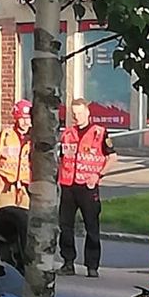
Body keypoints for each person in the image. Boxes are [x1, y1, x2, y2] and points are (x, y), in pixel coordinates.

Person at [57, 98, 116, 278]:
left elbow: (113, 157)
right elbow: (60, 158)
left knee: (92, 227)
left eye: (80, 113)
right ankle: (68, 262)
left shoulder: (100, 133)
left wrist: (98, 175)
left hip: (88, 187)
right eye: (74, 114)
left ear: (88, 113)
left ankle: (92, 266)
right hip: (68, 185)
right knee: (65, 226)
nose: (77, 117)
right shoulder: (67, 134)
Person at [0, 99, 32, 209]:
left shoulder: (34, 138)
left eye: (28, 118)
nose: (25, 122)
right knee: (4, 217)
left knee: (23, 220)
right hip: (6, 186)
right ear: (16, 118)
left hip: (26, 187)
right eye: (22, 118)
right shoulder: (6, 135)